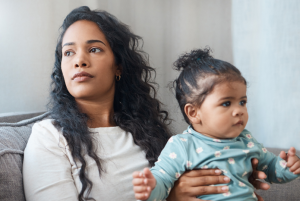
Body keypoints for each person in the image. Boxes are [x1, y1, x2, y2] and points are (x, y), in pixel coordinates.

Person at [23, 6, 269, 201]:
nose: (79, 61)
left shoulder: (147, 131)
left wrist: (232, 177)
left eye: (94, 49)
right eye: (69, 53)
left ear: (118, 66)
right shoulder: (49, 137)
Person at [132, 48, 300, 201]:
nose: (239, 110)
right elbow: (162, 182)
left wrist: (288, 168)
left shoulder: (246, 140)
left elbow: (271, 169)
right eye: (226, 104)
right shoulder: (182, 146)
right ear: (193, 112)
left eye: (242, 102)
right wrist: (150, 188)